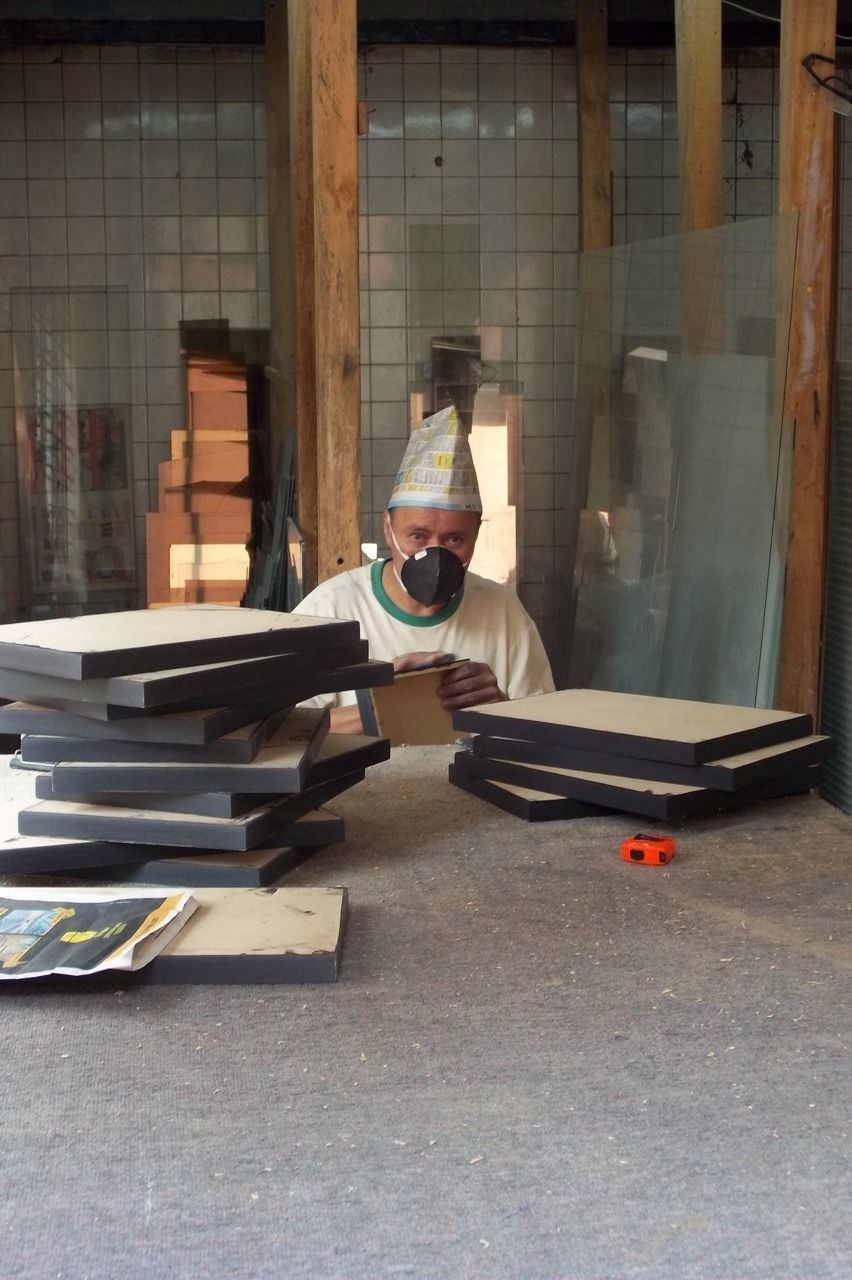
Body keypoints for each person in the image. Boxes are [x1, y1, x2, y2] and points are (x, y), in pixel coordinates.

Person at [293, 405, 555, 733]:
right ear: (388, 529)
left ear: (476, 537)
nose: (435, 554)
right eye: (418, 536)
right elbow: (280, 734)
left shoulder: (503, 615)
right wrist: (381, 704)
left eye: (454, 538)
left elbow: (544, 735)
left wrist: (497, 709)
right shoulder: (329, 612)